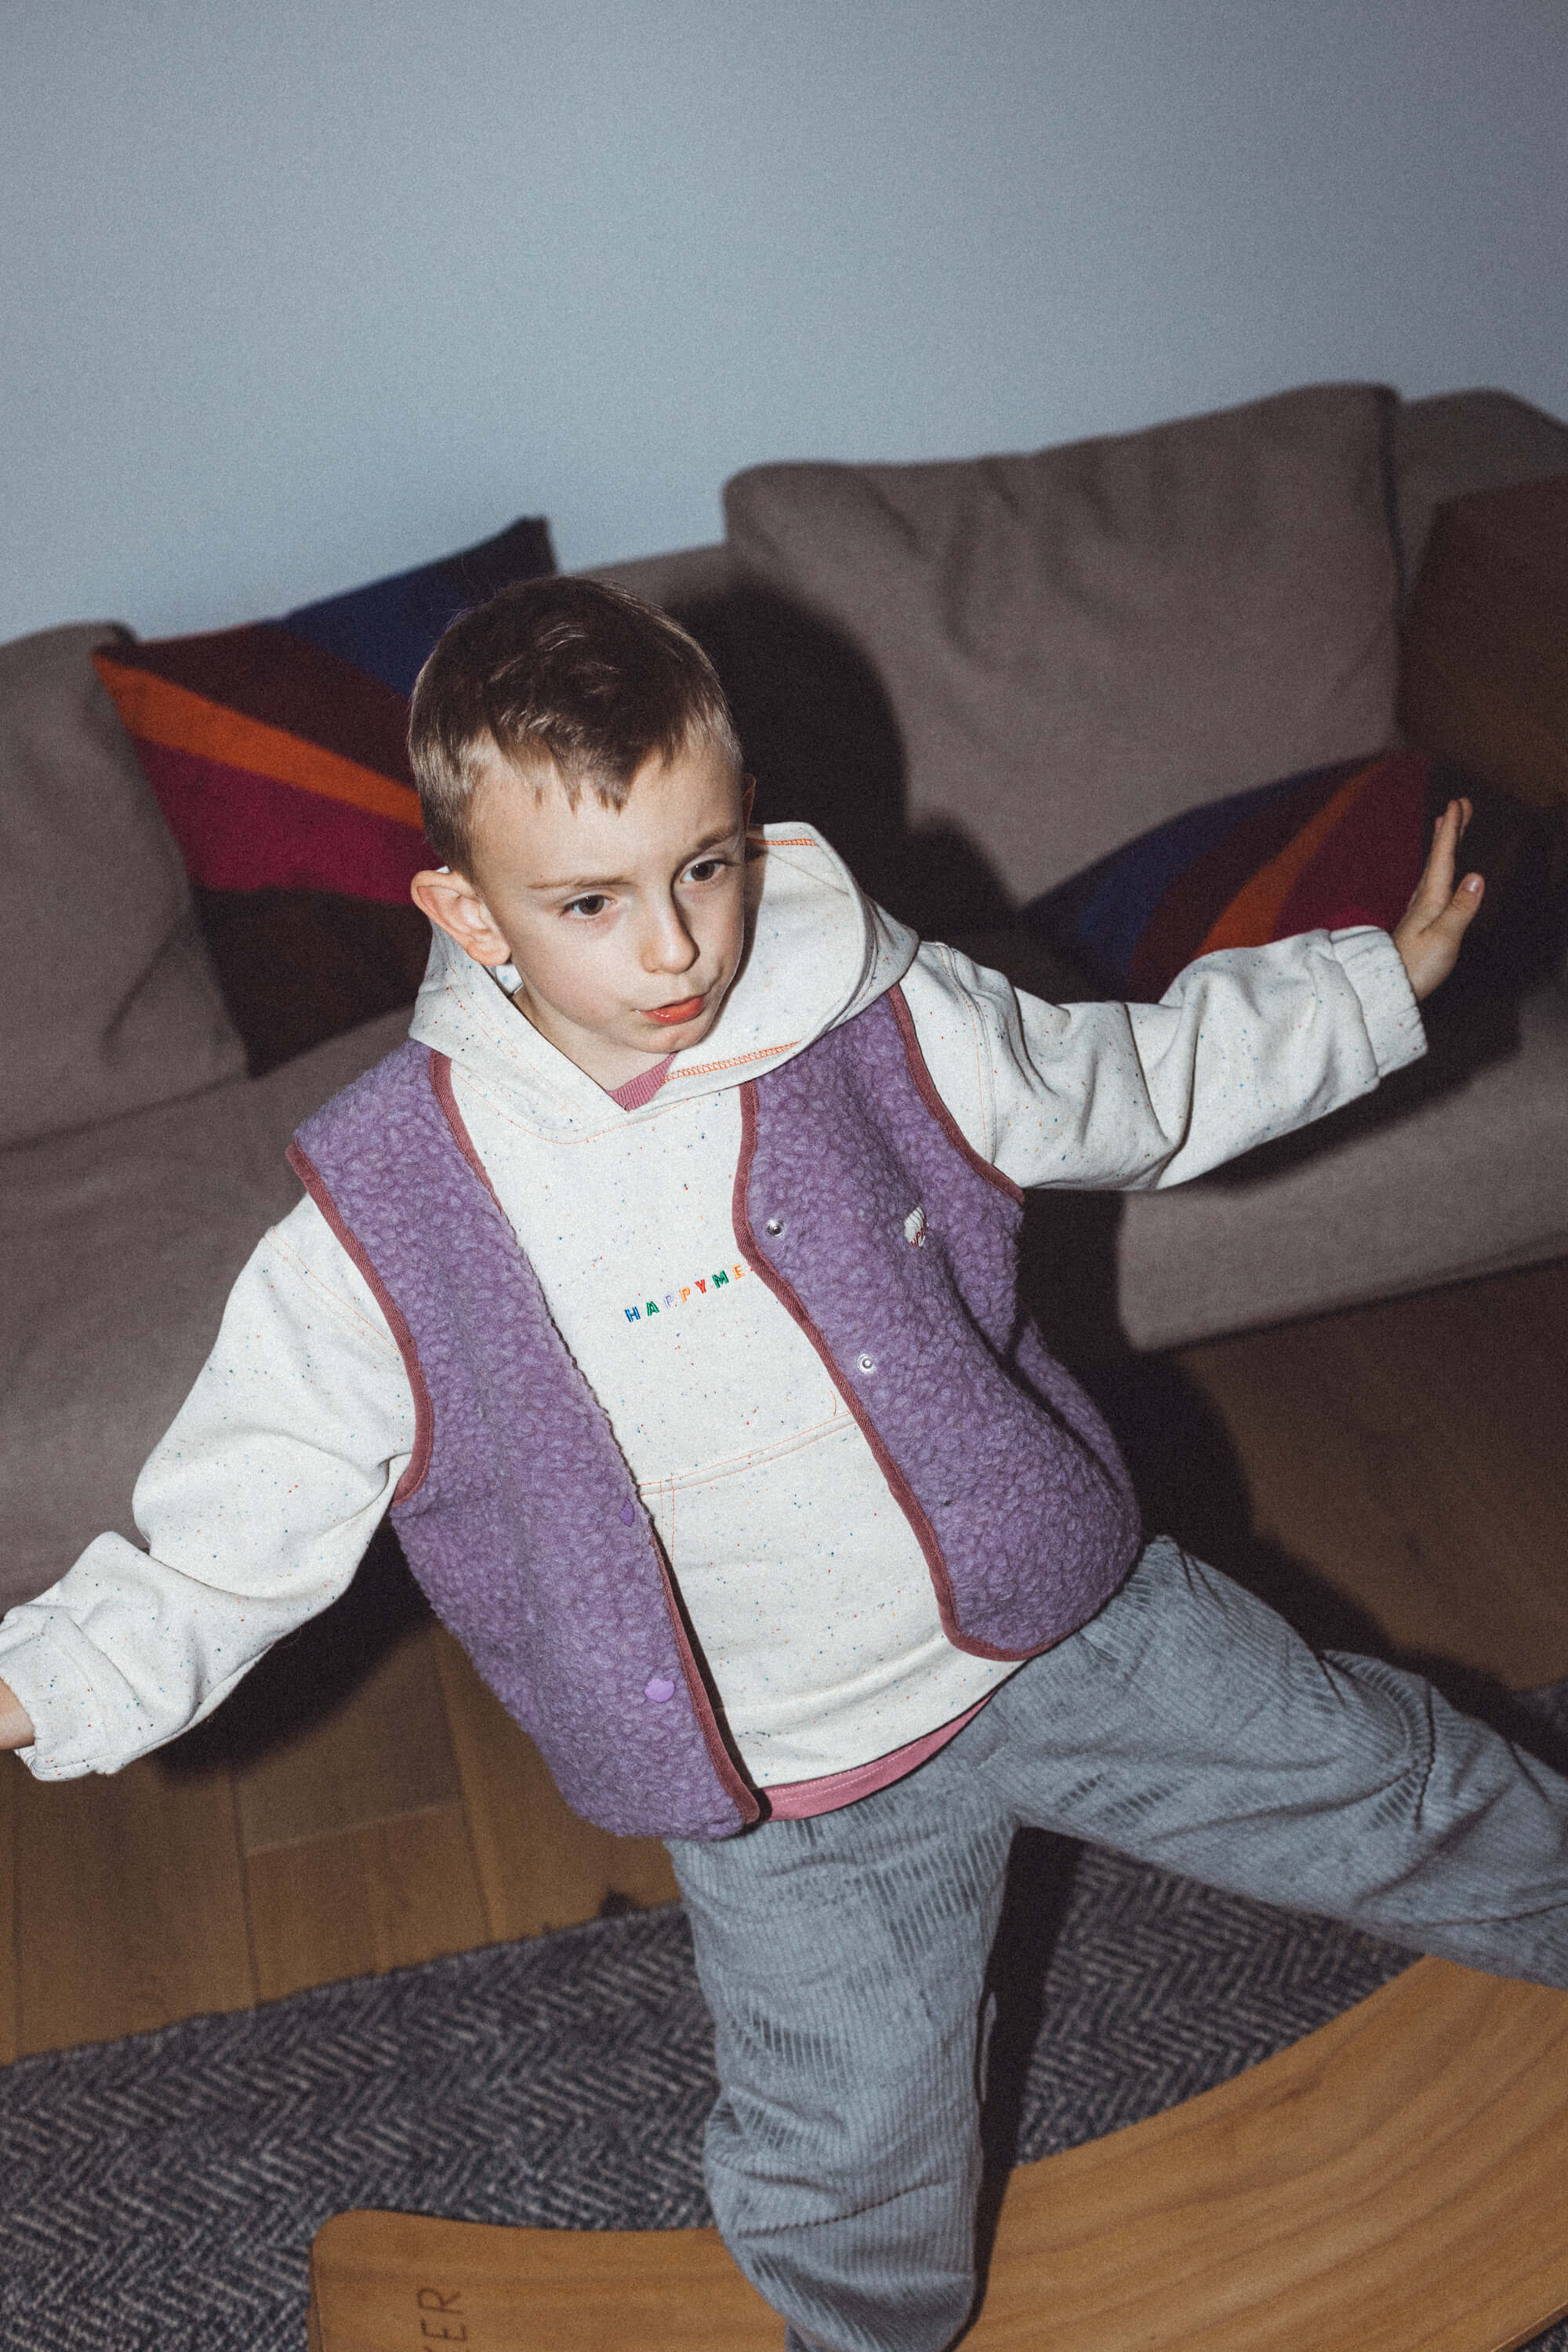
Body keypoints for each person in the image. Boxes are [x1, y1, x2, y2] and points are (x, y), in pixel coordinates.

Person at [2, 577, 1563, 2352]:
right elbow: (234, 1526)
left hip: (1070, 1625)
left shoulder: (882, 1012)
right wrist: (40, 1686)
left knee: (1391, 1783)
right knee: (851, 2163)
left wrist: (1373, 983)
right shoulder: (392, 1214)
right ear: (464, 907)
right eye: (587, 902)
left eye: (707, 866)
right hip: (795, 1789)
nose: (670, 948)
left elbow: (1130, 1086)